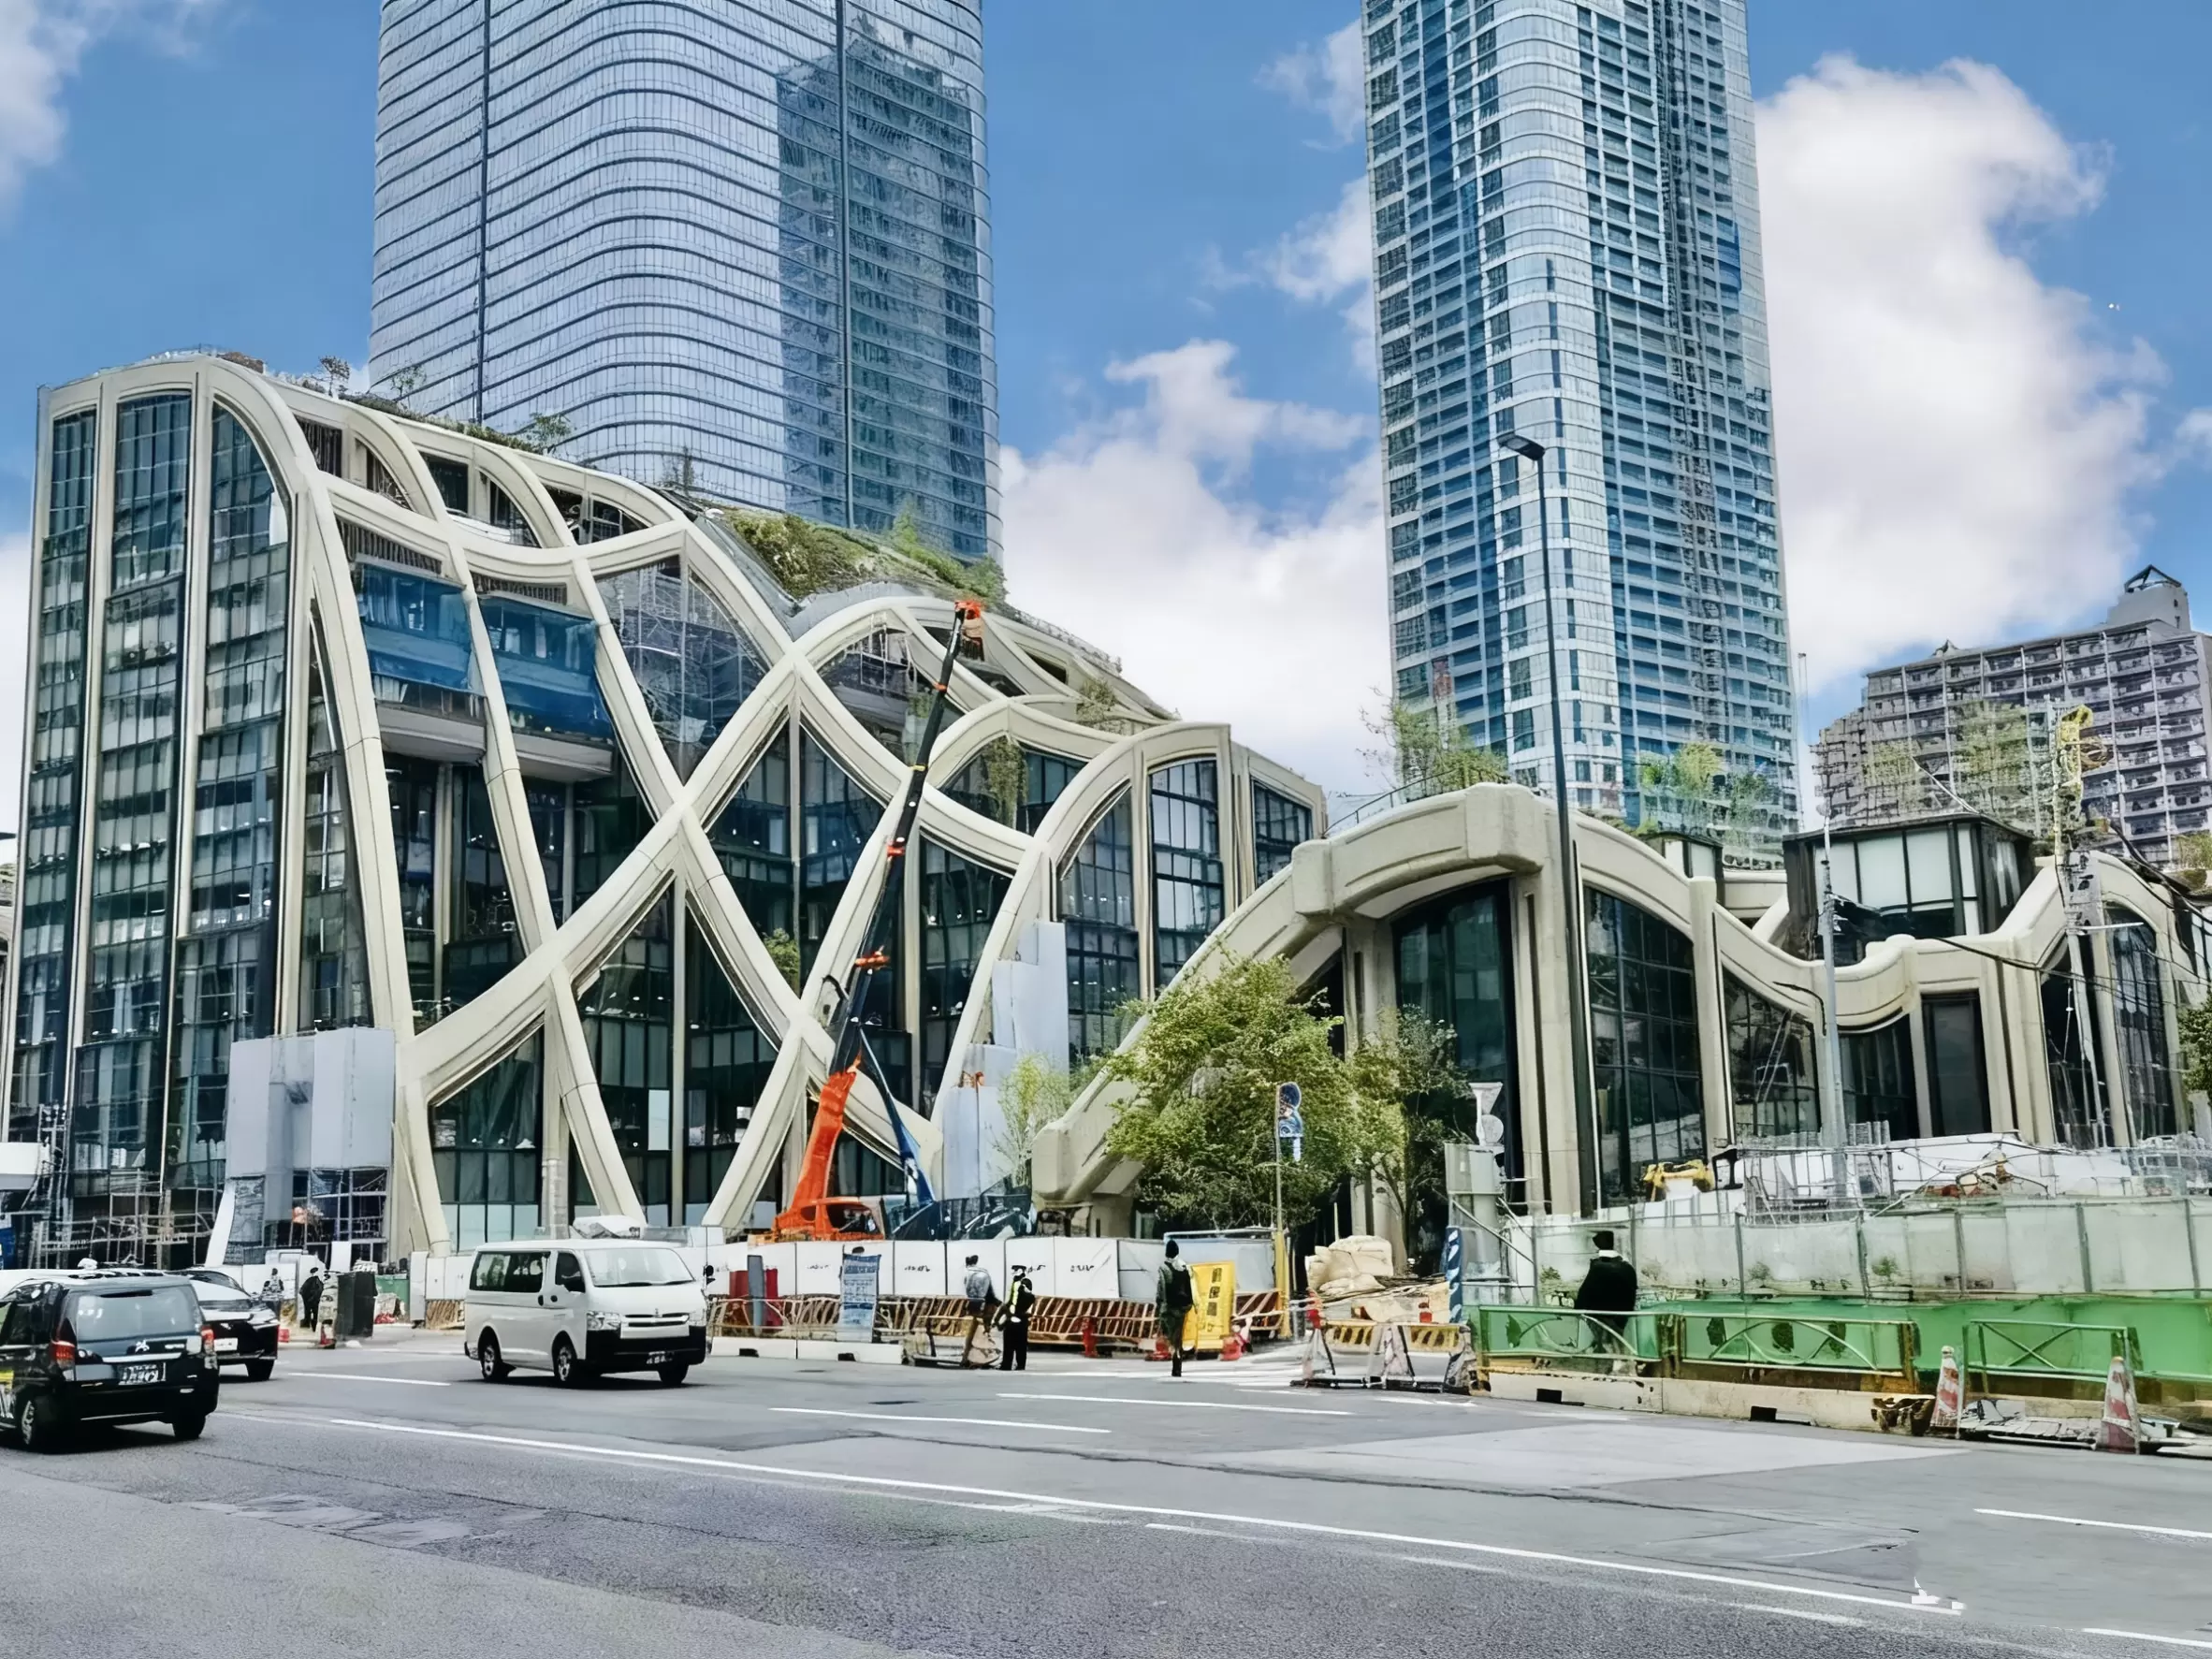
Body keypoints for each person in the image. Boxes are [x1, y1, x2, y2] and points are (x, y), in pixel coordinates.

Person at [1572, 1230, 1638, 1349]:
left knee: (1606, 1345)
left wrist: (1577, 1309)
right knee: (1617, 1345)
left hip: (1601, 1318)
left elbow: (1585, 1293)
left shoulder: (1599, 1268)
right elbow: (1631, 1295)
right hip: (1621, 1317)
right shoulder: (1627, 1268)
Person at [1155, 1240, 1194, 1378]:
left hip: (1169, 1309)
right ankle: (1178, 1364)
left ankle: (1175, 1356)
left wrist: (1160, 1306)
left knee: (1169, 1336)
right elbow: (1191, 1287)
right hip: (1183, 1307)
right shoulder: (1185, 1267)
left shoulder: (1164, 1268)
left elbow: (1161, 1290)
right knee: (1178, 1336)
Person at [997, 1266, 1037, 1373]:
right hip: (1023, 1322)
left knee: (1009, 1344)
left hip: (1011, 1320)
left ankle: (1006, 1365)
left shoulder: (1015, 1294)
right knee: (1022, 1345)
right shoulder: (1032, 1297)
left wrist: (997, 1320)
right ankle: (1021, 1365)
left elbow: (1006, 1306)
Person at [298, 1265, 324, 1329]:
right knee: (315, 1312)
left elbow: (301, 1290)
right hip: (315, 1299)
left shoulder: (310, 1280)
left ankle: (307, 1323)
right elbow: (320, 1290)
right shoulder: (319, 1281)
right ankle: (314, 1324)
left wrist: (306, 1298)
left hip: (309, 1299)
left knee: (308, 1312)